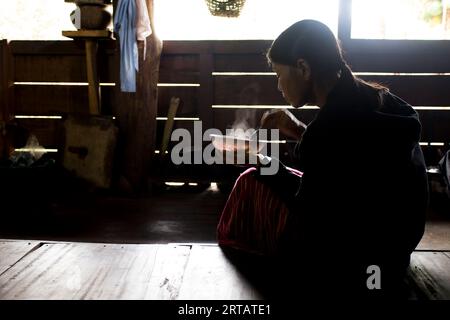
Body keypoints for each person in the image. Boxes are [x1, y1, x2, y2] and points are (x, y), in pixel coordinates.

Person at [217, 20, 428, 299]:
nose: (279, 86)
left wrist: (259, 161)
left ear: (303, 68)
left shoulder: (327, 131)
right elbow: (345, 164)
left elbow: (310, 211)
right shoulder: (386, 102)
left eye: (279, 74)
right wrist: (299, 131)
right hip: (396, 250)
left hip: (351, 262)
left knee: (251, 180)